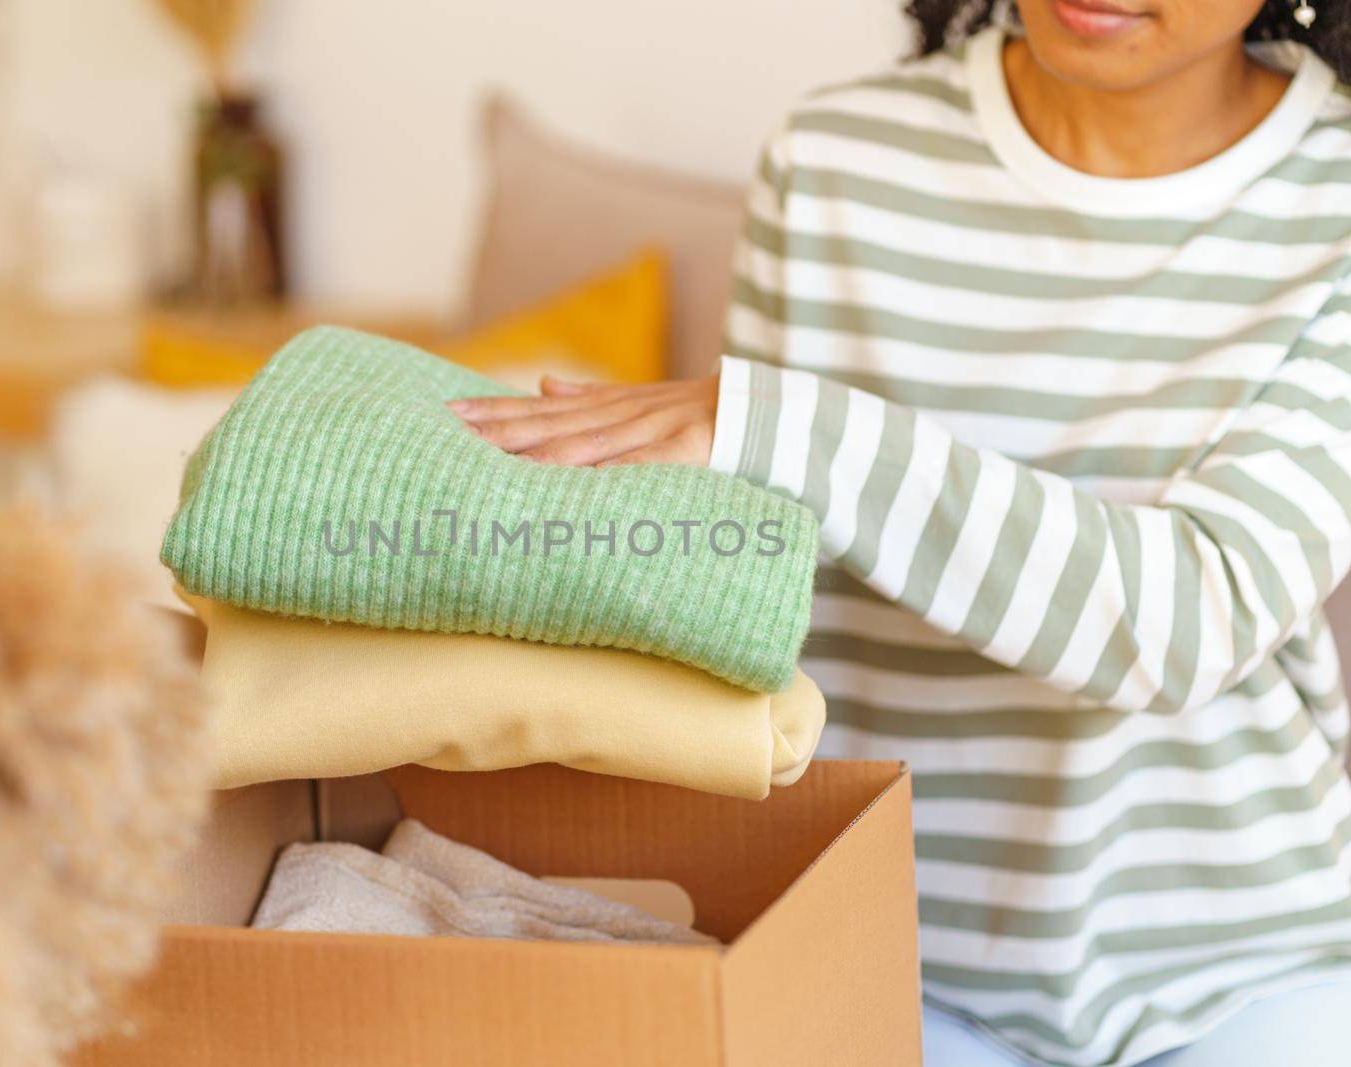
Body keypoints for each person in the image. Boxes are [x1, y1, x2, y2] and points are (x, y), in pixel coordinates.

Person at [447, 1, 1351, 1063]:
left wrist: (791, 430)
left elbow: (1188, 616)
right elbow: (762, 594)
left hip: (1250, 977)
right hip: (898, 952)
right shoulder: (832, 158)